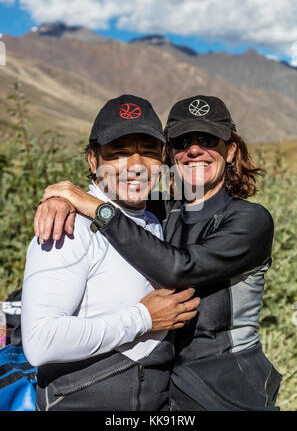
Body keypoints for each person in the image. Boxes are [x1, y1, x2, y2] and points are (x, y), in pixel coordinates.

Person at [35, 94, 282, 411]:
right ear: (169, 153)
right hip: (161, 389)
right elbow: (112, 203)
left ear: (231, 150)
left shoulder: (250, 220)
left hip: (227, 391)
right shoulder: (158, 211)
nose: (193, 150)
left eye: (208, 139)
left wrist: (93, 206)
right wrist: (62, 201)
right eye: (181, 141)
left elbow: (179, 269)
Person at [21, 94, 200, 412]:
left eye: (148, 151)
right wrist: (143, 318)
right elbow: (40, 340)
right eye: (118, 153)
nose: (136, 166)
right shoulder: (68, 226)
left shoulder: (153, 220)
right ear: (93, 160)